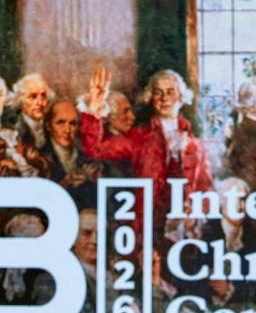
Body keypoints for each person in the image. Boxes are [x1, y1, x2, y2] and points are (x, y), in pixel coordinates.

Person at [81, 66, 213, 232]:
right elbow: (95, 148)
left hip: (184, 228)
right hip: (148, 225)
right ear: (151, 98)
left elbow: (205, 189)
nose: (164, 98)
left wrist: (195, 215)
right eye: (158, 93)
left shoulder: (196, 145)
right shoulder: (139, 138)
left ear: (180, 96)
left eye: (170, 92)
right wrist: (94, 109)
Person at [9, 72, 53, 150]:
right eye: (33, 97)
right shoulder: (13, 130)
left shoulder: (52, 127)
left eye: (43, 96)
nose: (40, 102)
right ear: (20, 100)